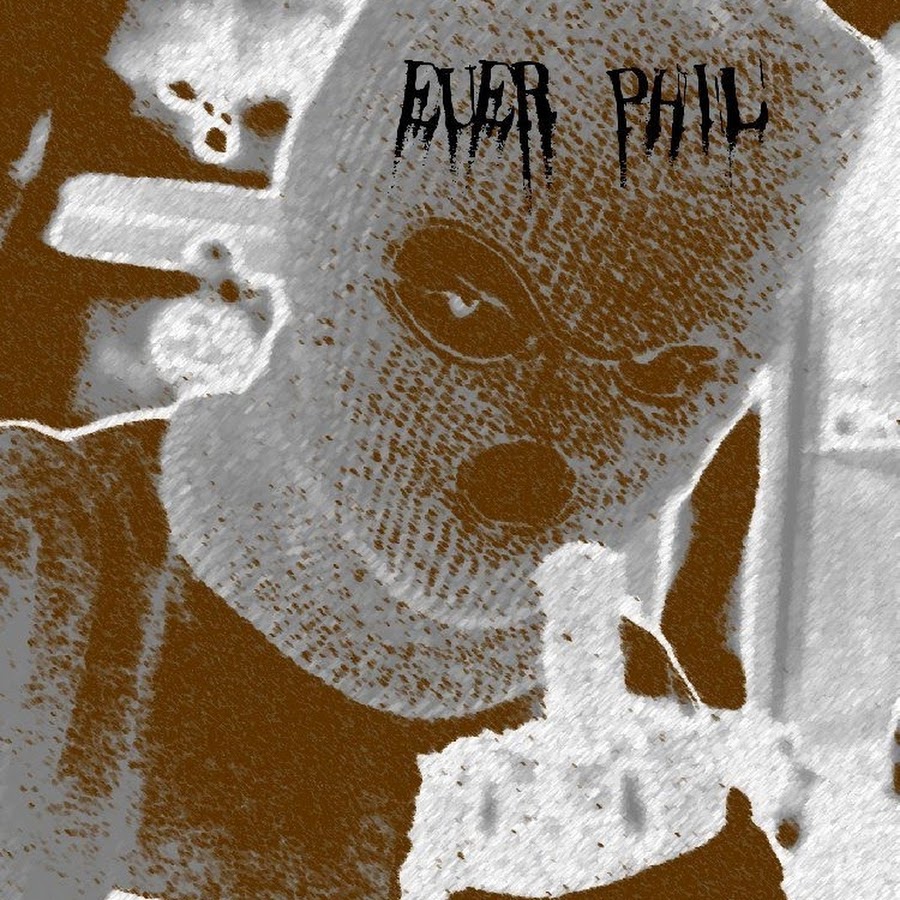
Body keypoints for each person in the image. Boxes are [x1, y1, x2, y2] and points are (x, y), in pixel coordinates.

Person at [0, 1, 886, 898]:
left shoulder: (625, 738)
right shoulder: (39, 571)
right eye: (468, 304)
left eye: (661, 374)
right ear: (332, 226)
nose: (555, 431)